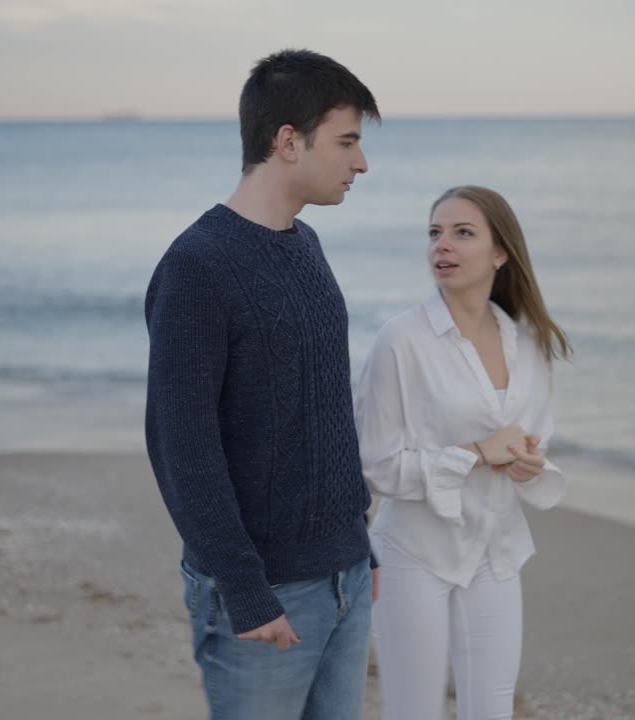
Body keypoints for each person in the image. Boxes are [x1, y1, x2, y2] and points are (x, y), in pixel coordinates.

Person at [143, 49, 380, 720]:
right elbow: (181, 446)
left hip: (344, 576)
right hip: (264, 593)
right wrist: (244, 590)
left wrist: (358, 545)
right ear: (287, 141)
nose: (361, 163)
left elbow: (324, 412)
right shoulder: (196, 267)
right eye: (347, 142)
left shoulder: (306, 245)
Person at [355, 185, 571, 719]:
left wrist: (528, 464)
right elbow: (376, 465)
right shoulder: (401, 339)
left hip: (495, 553)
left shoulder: (530, 345)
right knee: (414, 712)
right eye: (435, 233)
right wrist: (475, 452)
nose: (442, 245)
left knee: (493, 712)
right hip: (413, 554)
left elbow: (533, 441)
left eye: (462, 233)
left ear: (500, 253)